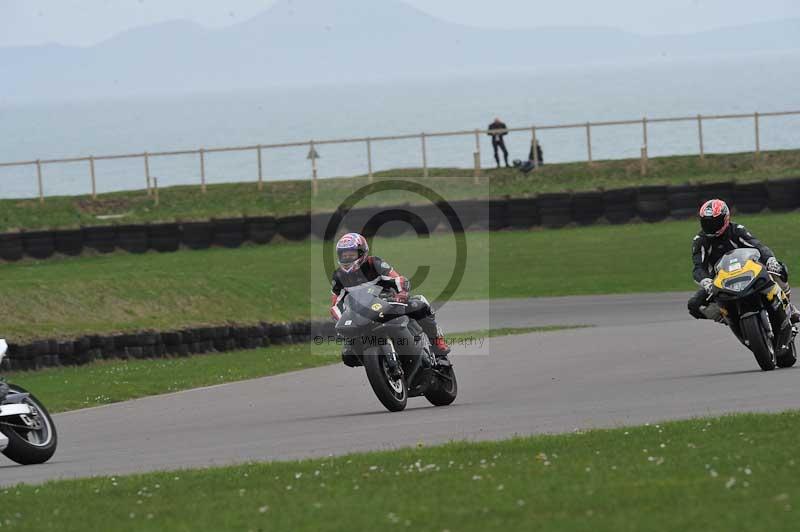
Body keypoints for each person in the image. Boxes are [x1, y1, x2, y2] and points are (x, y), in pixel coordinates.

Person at [330, 233, 451, 367]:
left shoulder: (374, 263)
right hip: (361, 314)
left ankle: (438, 345)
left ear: (362, 253)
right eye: (344, 255)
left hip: (388, 303)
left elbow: (396, 278)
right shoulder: (338, 276)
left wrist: (402, 292)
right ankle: (379, 364)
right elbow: (336, 303)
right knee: (348, 356)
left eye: (351, 255)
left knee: (420, 304)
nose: (347, 258)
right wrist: (341, 319)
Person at [687, 199, 800, 323]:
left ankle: (788, 307)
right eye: (706, 223)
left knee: (779, 269)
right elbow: (698, 268)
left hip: (748, 269)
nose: (710, 227)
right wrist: (706, 282)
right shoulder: (700, 241)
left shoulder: (736, 230)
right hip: (721, 280)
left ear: (725, 219)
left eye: (715, 222)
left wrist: (770, 261)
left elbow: (758, 246)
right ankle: (727, 317)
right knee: (694, 305)